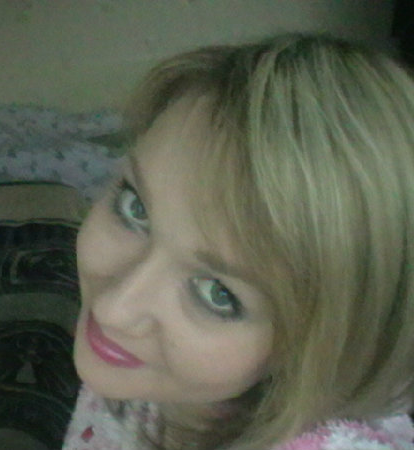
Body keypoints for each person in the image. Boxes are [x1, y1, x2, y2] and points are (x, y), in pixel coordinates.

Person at [62, 33, 414, 449]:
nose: (113, 310)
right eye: (135, 208)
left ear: (328, 352)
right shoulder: (136, 365)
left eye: (217, 294)